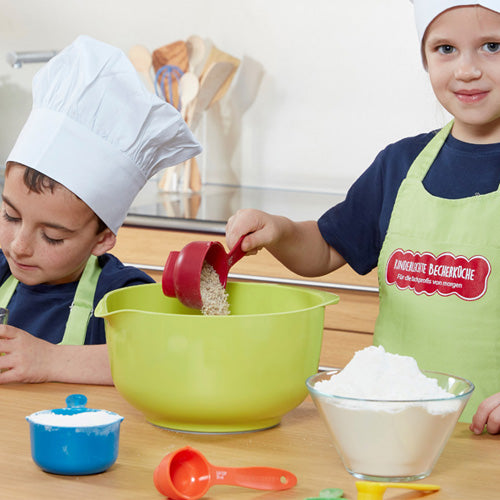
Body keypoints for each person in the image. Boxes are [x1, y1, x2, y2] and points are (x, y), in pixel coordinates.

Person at [226, 1, 500, 434]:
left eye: (492, 46)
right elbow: (327, 248)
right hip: (391, 429)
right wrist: (279, 231)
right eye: (445, 49)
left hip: (489, 439)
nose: (466, 70)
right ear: (424, 59)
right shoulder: (399, 164)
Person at [0, 35, 201, 385]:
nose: (19, 245)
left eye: (52, 236)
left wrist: (49, 359)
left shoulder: (119, 292)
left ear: (102, 238)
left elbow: (172, 358)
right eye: (10, 217)